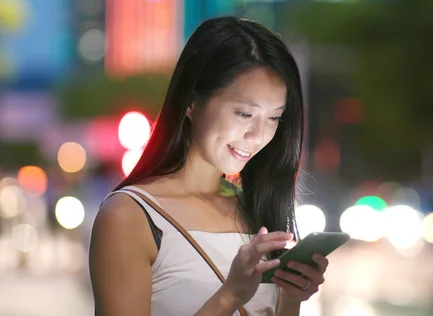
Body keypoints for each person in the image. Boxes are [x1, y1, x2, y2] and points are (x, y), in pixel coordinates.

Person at [89, 16, 329, 316]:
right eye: (244, 114)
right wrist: (228, 297)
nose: (257, 136)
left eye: (274, 118)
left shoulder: (256, 207)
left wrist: (291, 298)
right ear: (191, 102)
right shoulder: (130, 216)